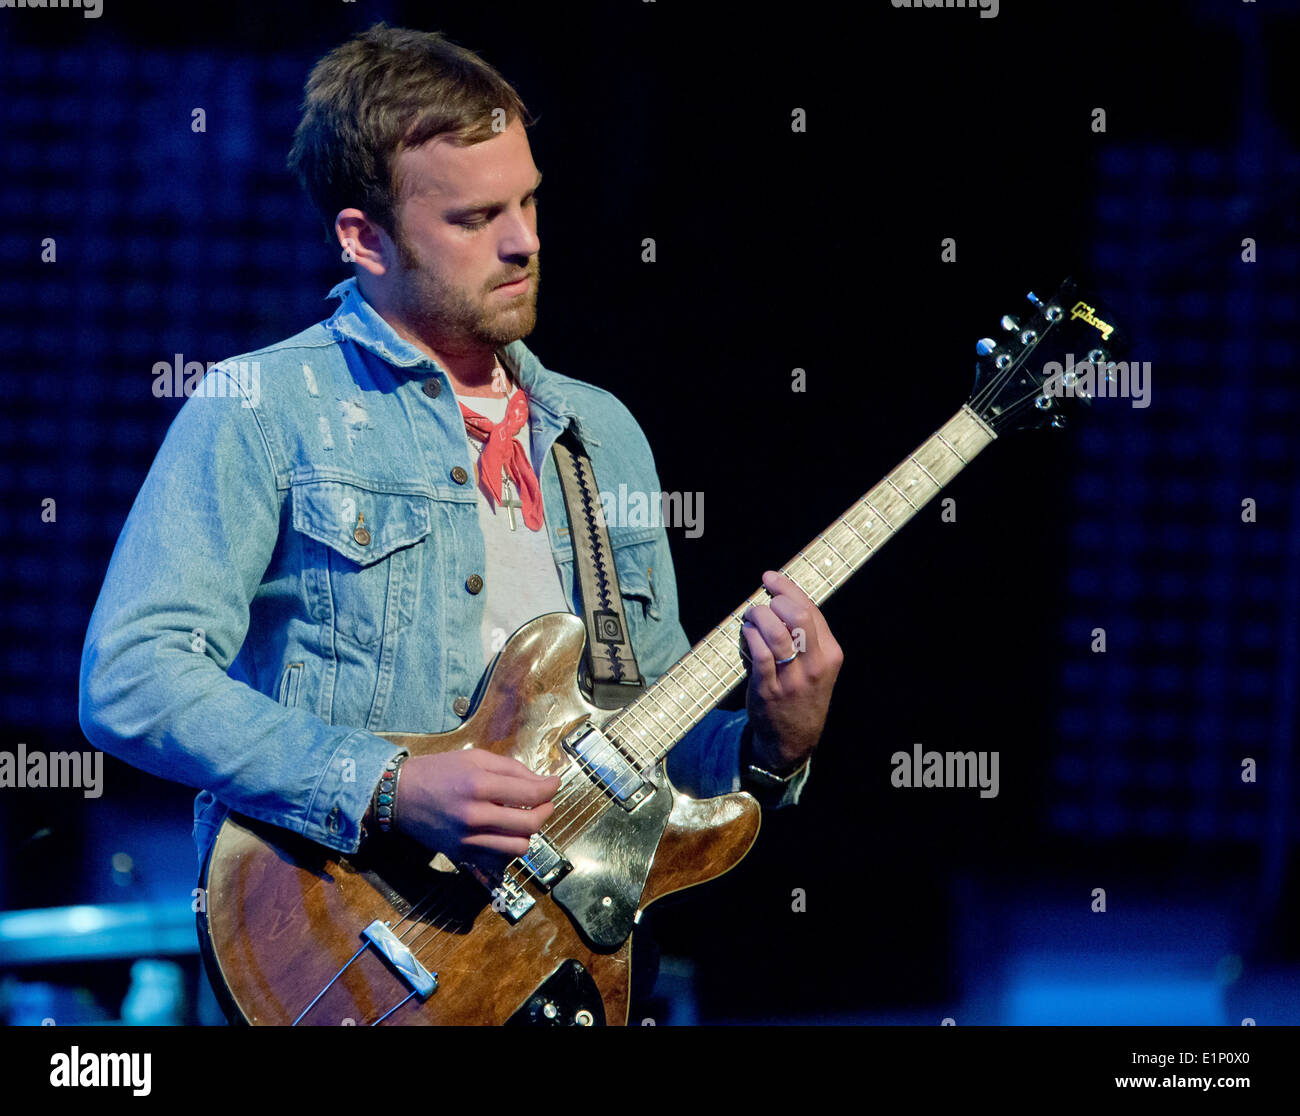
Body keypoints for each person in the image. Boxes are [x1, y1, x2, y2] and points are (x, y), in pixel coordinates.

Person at [78, 23, 842, 886]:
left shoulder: (601, 434)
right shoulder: (262, 408)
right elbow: (133, 678)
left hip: (564, 966)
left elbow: (646, 757)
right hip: (343, 960)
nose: (524, 241)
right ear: (364, 240)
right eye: (476, 218)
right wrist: (387, 786)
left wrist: (775, 743)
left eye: (528, 201)